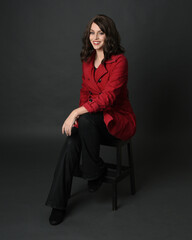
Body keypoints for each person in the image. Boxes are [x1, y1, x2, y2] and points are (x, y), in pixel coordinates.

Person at [45, 14, 136, 225]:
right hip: (93, 119)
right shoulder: (87, 60)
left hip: (116, 120)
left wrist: (76, 113)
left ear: (108, 35)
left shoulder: (119, 61)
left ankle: (92, 170)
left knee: (84, 120)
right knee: (71, 141)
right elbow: (85, 93)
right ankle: (58, 204)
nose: (95, 37)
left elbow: (108, 97)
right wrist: (78, 119)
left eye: (100, 33)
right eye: (92, 32)